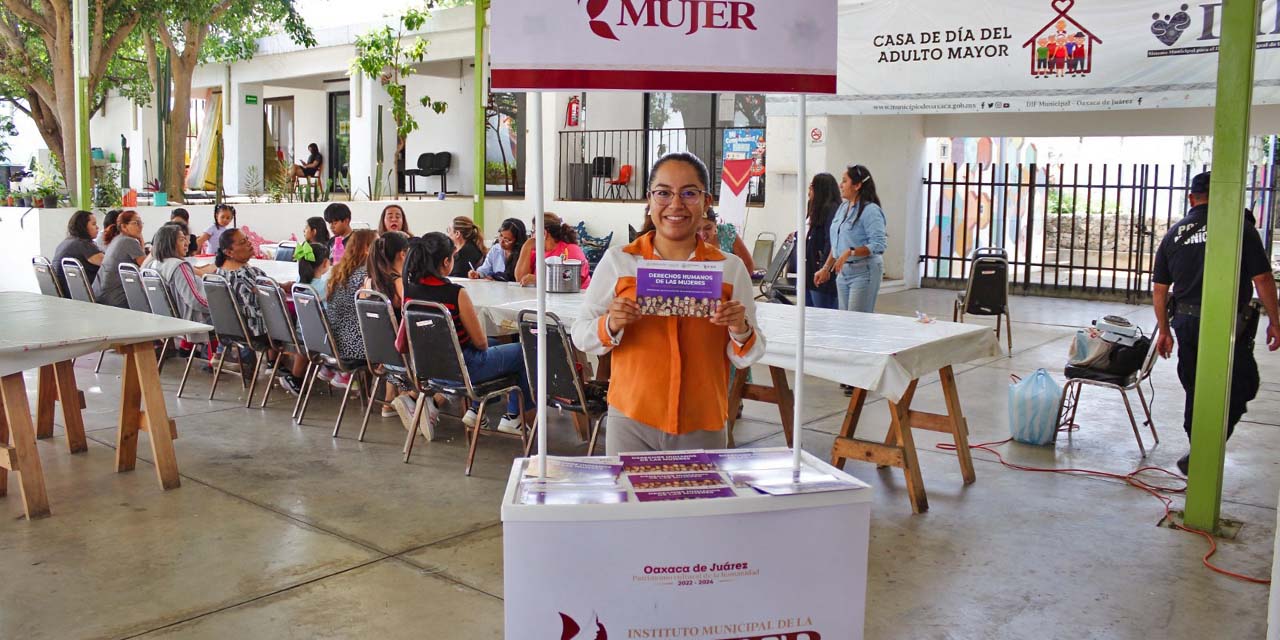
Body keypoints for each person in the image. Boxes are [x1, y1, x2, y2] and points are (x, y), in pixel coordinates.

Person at [570, 152, 765, 454]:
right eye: (663, 193)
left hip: (703, 422)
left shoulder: (729, 269)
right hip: (632, 418)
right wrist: (611, 324)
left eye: (689, 193)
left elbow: (748, 355)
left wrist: (741, 329)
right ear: (649, 199)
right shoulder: (620, 261)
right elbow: (581, 334)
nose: (676, 204)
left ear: (706, 201)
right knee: (629, 488)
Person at [1152, 171, 1280, 475]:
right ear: (1226, 196)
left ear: (1191, 198)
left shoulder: (1174, 234)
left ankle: (1199, 450)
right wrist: (1275, 321)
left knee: (1196, 388)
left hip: (1185, 322)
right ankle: (1203, 450)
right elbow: (1262, 278)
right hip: (1225, 325)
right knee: (1242, 384)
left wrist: (1164, 331)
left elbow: (1159, 290)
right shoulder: (1238, 228)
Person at [403, 232, 535, 435]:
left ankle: (476, 411)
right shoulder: (456, 293)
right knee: (526, 350)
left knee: (494, 344)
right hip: (464, 369)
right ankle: (513, 416)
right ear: (446, 261)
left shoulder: (410, 291)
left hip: (428, 369)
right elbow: (480, 343)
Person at [815, 164, 887, 314]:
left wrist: (851, 252)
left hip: (864, 272)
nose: (840, 185)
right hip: (843, 272)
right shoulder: (843, 208)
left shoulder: (871, 211)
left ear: (857, 185)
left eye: (844, 181)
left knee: (857, 319)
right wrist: (826, 268)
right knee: (845, 320)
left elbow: (878, 244)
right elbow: (837, 243)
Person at [364, 230, 412, 422]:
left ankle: (390, 400)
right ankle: (409, 399)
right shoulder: (398, 282)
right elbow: (411, 313)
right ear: (403, 254)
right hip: (401, 354)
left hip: (379, 352)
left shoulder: (369, 281)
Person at [324, 228, 378, 377]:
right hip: (356, 349)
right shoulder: (367, 275)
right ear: (367, 248)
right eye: (377, 245)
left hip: (334, 344)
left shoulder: (339, 271)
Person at [147, 223, 210, 345]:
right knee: (238, 317)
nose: (187, 243)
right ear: (170, 243)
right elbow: (194, 300)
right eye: (181, 240)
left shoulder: (154, 264)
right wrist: (216, 308)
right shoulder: (180, 267)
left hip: (166, 319)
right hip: (191, 321)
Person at [283, 241, 332, 394]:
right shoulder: (325, 287)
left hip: (301, 332)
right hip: (319, 338)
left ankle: (300, 377)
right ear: (325, 263)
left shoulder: (299, 283)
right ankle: (332, 371)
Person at [514, 212, 592, 288]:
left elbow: (574, 280)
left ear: (544, 233)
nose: (531, 236)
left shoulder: (570, 250)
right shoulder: (536, 252)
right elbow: (520, 279)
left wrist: (540, 280)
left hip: (576, 295)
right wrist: (526, 247)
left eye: (533, 231)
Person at [92, 210, 147, 308]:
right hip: (115, 299)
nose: (140, 226)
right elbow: (146, 267)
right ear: (124, 226)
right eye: (136, 223)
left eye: (141, 222)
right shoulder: (129, 241)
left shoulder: (117, 239)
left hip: (100, 294)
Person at [805, 173, 842, 310]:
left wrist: (824, 267)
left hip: (822, 268)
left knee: (822, 310)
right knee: (808, 311)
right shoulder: (814, 206)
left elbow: (831, 241)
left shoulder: (832, 209)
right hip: (809, 269)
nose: (809, 192)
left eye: (811, 187)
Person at [52, 210, 104, 295]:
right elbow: (108, 264)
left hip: (64, 293)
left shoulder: (66, 242)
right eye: (94, 224)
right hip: (78, 294)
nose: (97, 227)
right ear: (83, 226)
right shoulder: (83, 244)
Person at [469, 218, 527, 282]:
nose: (501, 242)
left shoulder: (524, 253)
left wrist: (495, 277)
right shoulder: (495, 249)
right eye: (501, 236)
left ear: (517, 241)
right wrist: (477, 274)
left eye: (507, 240)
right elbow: (485, 268)